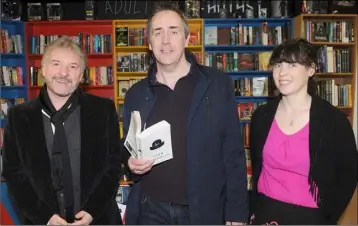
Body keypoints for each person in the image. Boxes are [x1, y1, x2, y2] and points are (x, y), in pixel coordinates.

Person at [122, 3, 249, 225]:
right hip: (150, 210)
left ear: (187, 39)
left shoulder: (217, 85)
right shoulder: (135, 94)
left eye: (173, 31)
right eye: (158, 33)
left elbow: (233, 153)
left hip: (205, 209)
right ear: (149, 43)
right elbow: (128, 146)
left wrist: (236, 212)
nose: (166, 40)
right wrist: (131, 164)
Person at [2, 36, 123, 225]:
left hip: (99, 219)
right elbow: (14, 174)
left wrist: (92, 211)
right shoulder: (18, 117)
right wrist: (45, 217)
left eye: (73, 67)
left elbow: (113, 165)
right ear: (43, 69)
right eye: (56, 64)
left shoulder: (104, 111)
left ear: (82, 75)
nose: (63, 73)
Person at [249, 38, 357, 225]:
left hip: (310, 218)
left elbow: (348, 176)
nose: (282, 72)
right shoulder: (261, 116)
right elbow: (257, 166)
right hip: (265, 213)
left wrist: (327, 218)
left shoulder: (333, 121)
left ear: (311, 69)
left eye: (292, 64)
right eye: (278, 65)